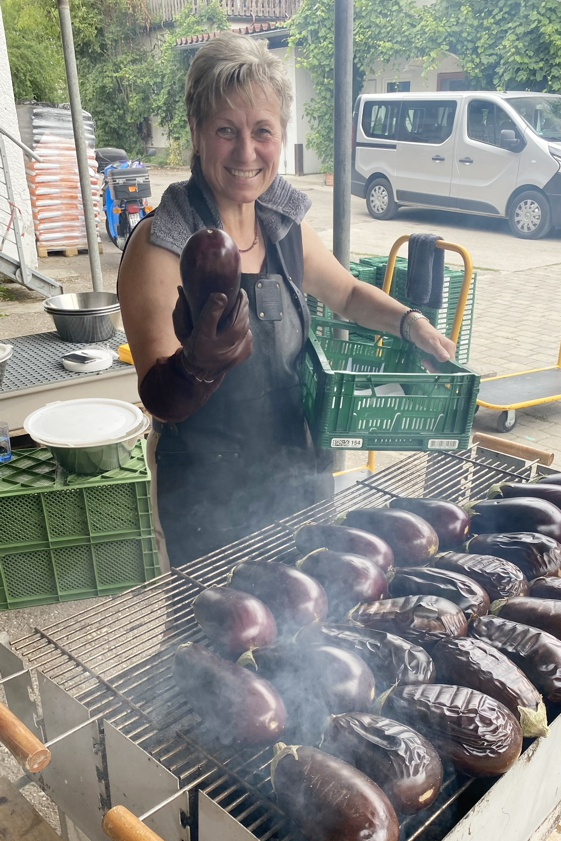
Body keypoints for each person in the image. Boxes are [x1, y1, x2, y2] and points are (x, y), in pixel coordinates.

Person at [118, 31, 455, 571]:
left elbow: (345, 292)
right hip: (210, 498)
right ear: (197, 133)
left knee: (310, 625)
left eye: (263, 132)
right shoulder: (162, 244)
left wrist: (409, 323)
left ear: (281, 136)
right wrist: (196, 366)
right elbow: (159, 395)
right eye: (226, 130)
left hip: (299, 477)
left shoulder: (281, 224)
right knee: (225, 641)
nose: (247, 152)